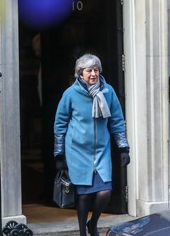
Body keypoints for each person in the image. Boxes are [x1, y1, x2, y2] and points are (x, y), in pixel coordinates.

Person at [53, 53, 130, 236]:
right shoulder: (70, 94)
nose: (93, 74)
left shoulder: (108, 92)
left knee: (105, 192)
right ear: (80, 74)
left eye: (96, 70)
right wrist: (59, 154)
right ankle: (82, 231)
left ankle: (92, 223)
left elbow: (117, 121)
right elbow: (60, 123)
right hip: (77, 151)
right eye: (89, 70)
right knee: (84, 195)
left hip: (101, 150)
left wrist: (123, 148)